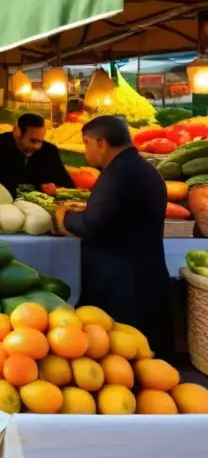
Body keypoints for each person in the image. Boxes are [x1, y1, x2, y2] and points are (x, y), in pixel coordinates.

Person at [54, 116, 173, 357]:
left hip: (121, 280)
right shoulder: (145, 169)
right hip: (144, 272)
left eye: (86, 142)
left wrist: (63, 217)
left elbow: (92, 226)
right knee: (146, 347)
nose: (86, 150)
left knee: (125, 349)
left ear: (101, 142)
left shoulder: (117, 174)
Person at [0, 113, 72, 197]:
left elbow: (66, 184)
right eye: (32, 141)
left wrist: (55, 188)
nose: (36, 147)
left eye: (40, 141)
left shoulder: (49, 151)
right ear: (17, 132)